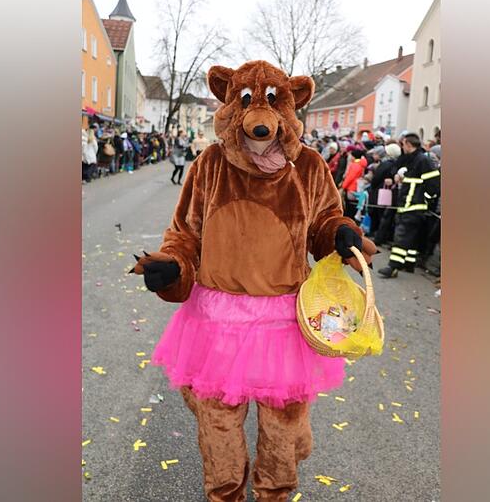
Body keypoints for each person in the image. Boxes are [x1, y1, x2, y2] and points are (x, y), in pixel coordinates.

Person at [131, 60, 375, 502]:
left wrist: (338, 233)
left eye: (271, 102)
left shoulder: (310, 167)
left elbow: (324, 221)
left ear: (290, 105)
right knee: (217, 420)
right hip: (217, 318)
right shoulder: (209, 165)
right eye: (246, 101)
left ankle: (275, 493)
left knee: (283, 424)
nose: (258, 117)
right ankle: (225, 493)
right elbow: (185, 232)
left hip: (283, 319)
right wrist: (173, 267)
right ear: (230, 102)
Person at [377, 133, 441, 278]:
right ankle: (409, 263)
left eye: (403, 144)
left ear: (408, 144)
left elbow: (434, 185)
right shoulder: (410, 159)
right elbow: (396, 167)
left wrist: (424, 199)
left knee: (401, 236)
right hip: (406, 204)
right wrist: (397, 176)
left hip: (414, 206)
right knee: (410, 237)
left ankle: (393, 266)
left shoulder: (423, 161)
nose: (402, 147)